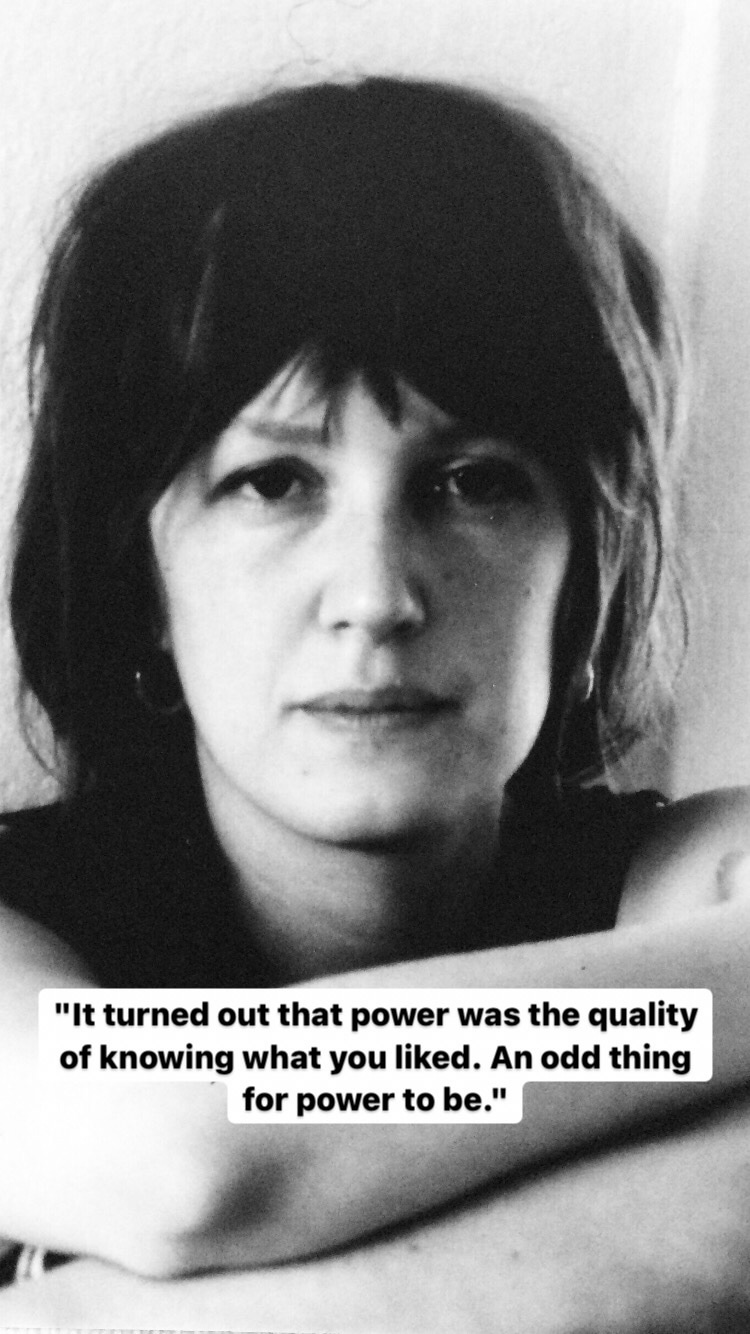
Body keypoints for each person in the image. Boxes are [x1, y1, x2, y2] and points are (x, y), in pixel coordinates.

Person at [1, 75, 750, 1330]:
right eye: (273, 482)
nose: (378, 595)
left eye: (472, 481)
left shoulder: (699, 868)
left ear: (585, 570)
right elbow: (178, 1158)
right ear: (142, 581)